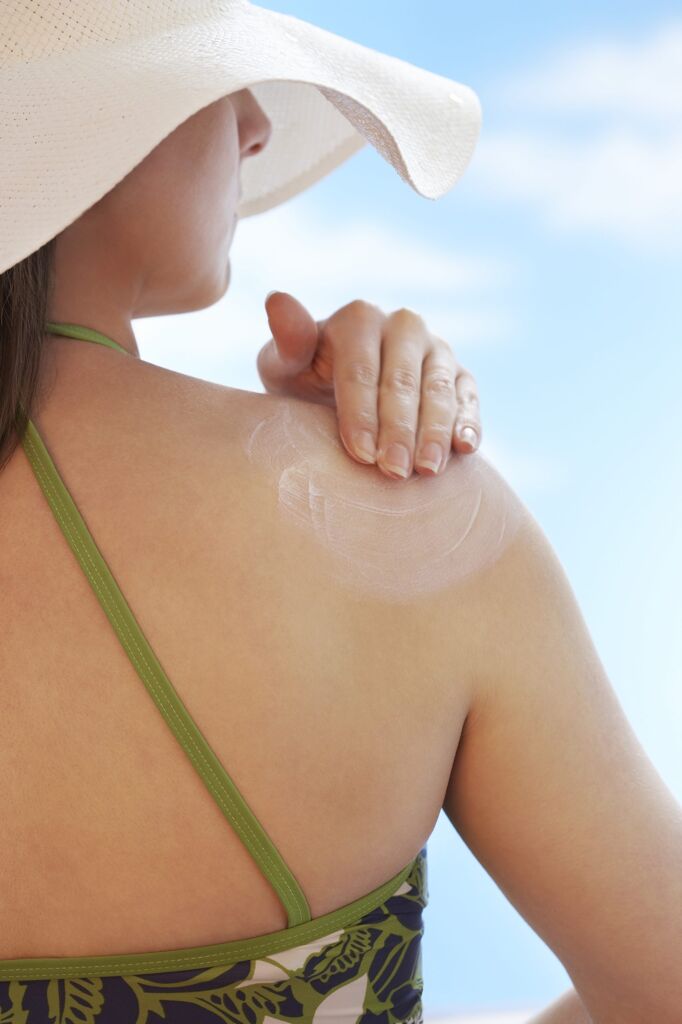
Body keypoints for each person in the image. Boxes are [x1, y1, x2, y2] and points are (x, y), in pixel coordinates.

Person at [1, 33, 680, 1024]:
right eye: (211, 76)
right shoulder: (407, 517)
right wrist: (359, 482)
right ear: (84, 131)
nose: (256, 123)